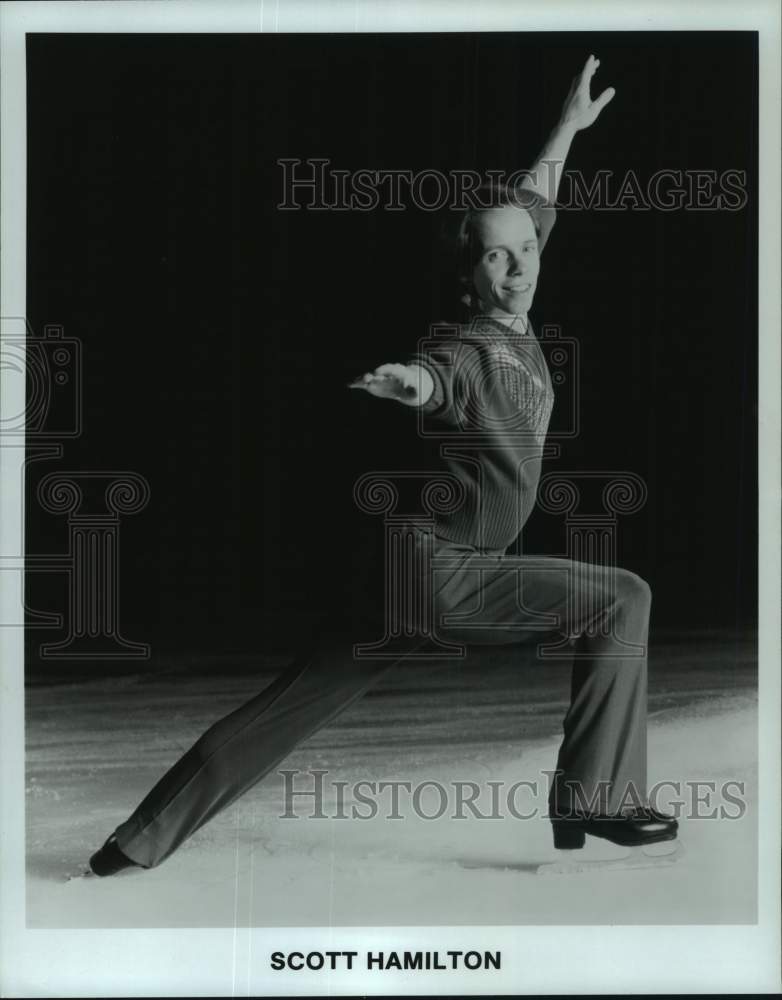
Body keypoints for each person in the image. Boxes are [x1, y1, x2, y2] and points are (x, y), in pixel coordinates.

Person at [89, 54, 677, 878]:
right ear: (467, 276)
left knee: (285, 710)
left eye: (524, 250)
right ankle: (594, 800)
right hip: (444, 572)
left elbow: (532, 198)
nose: (520, 265)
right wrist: (413, 385)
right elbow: (436, 375)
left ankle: (131, 846)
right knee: (625, 597)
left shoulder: (519, 279)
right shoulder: (467, 344)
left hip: (400, 569)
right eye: (498, 259)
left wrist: (567, 128)